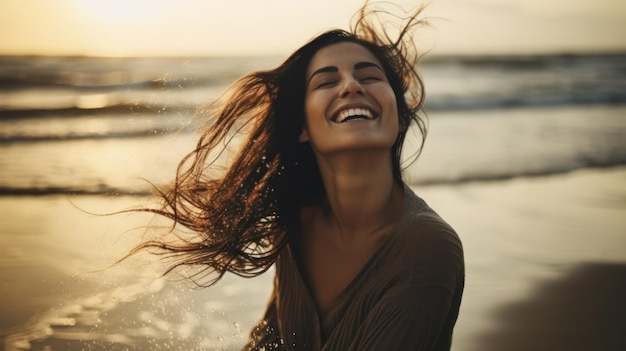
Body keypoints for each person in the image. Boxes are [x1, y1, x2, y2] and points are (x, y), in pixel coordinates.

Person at [128, 2, 464, 350]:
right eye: (327, 81)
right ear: (302, 126)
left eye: (370, 77)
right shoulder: (294, 222)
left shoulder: (428, 246)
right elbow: (269, 339)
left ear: (397, 112)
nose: (351, 86)